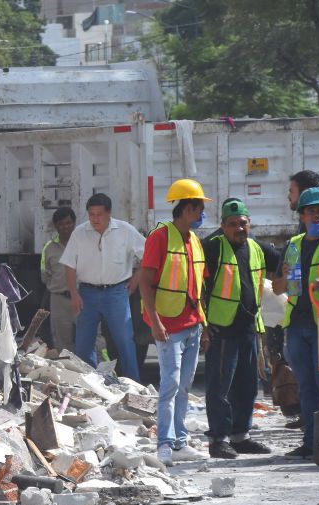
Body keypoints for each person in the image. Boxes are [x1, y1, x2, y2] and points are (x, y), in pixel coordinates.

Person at [202, 198, 280, 458]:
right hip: (222, 330)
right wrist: (203, 323)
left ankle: (240, 436)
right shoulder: (213, 247)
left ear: (250, 224)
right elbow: (196, 285)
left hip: (248, 327)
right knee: (220, 387)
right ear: (222, 225)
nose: (239, 228)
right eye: (232, 224)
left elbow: (282, 262)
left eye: (243, 223)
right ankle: (218, 439)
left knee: (248, 386)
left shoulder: (255, 246)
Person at [140, 178, 210, 464]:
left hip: (192, 324)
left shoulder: (193, 240)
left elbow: (198, 286)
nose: (202, 214)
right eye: (199, 208)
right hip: (168, 326)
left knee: (184, 386)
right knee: (169, 385)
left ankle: (180, 441)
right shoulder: (160, 237)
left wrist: (203, 326)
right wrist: (155, 322)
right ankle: (165, 444)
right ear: (187, 209)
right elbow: (145, 282)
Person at [272, 187, 319, 460]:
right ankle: (311, 443)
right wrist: (283, 276)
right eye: (312, 211)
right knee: (306, 387)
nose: (317, 215)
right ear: (303, 215)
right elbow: (277, 288)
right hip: (297, 325)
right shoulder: (294, 244)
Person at [60, 193, 145, 380]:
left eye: (99, 214)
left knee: (125, 342)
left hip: (116, 293)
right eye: (91, 214)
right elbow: (69, 264)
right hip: (87, 294)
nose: (95, 219)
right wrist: (74, 293)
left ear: (109, 214)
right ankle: (91, 384)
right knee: (83, 344)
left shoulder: (124, 230)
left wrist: (137, 278)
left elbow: (147, 255)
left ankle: (134, 385)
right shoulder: (80, 233)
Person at [41, 207, 77, 354]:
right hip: (59, 300)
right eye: (61, 224)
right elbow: (45, 275)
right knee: (62, 342)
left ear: (74, 223)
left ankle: (97, 373)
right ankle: (71, 375)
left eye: (69, 223)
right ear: (56, 226)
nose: (65, 227)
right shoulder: (48, 248)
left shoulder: (82, 244)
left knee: (92, 340)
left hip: (82, 297)